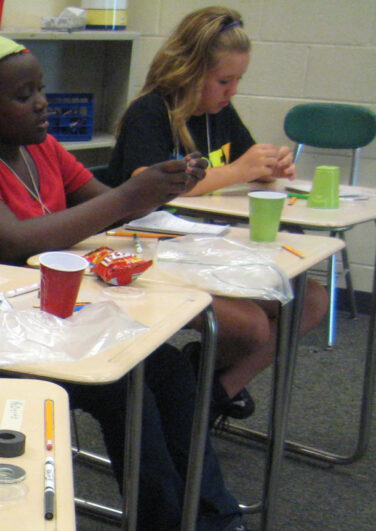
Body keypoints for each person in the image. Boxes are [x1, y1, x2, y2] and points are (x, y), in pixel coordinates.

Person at [0, 33, 317, 531]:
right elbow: (9, 243)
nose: (41, 104)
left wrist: (156, 188)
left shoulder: (41, 148)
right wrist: (131, 196)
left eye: (41, 90)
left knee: (172, 371)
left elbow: (99, 204)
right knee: (126, 387)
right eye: (23, 95)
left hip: (52, 322)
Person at [106, 6, 328, 422]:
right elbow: (146, 183)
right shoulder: (151, 112)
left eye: (239, 80)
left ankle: (209, 397)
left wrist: (268, 168)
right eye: (224, 81)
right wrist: (239, 170)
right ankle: (195, 395)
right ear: (189, 72)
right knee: (252, 327)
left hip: (205, 249)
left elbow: (244, 166)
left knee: (311, 300)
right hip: (147, 253)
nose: (233, 91)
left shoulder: (219, 114)